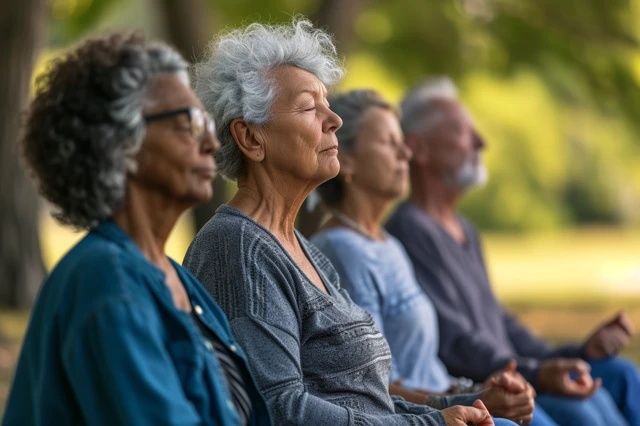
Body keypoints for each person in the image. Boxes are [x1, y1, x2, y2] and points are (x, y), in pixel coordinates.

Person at [184, 19, 503, 426]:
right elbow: (282, 409)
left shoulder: (303, 248)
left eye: (327, 104)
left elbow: (364, 397)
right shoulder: (237, 249)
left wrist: (463, 405)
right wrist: (429, 424)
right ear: (250, 138)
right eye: (307, 107)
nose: (333, 119)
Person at [3, 33, 270, 425]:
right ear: (122, 144)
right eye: (190, 123)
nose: (212, 141)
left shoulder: (172, 276)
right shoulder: (107, 282)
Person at [386, 77, 640, 426]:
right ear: (419, 149)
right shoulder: (407, 231)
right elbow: (457, 343)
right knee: (585, 409)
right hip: (491, 387)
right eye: (463, 133)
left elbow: (499, 324)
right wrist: (539, 373)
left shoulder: (466, 230)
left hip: (522, 376)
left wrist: (576, 353)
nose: (480, 142)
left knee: (619, 373)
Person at [310, 89, 554, 425]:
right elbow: (369, 386)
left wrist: (480, 388)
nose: (405, 152)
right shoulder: (342, 251)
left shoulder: (389, 245)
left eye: (403, 141)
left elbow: (426, 365)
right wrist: (467, 399)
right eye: (387, 142)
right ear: (346, 159)